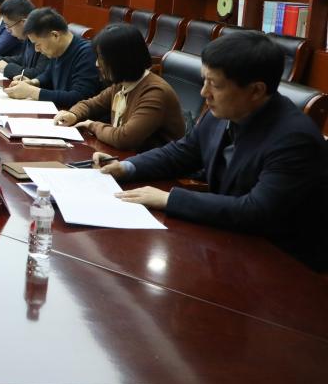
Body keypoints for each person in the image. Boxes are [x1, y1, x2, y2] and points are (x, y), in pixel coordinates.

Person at [95, 31, 327, 271]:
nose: (203, 92)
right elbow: (181, 153)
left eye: (214, 84)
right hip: (230, 242)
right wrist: (127, 168)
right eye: (203, 80)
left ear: (256, 91)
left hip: (284, 264)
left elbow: (257, 211)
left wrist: (169, 199)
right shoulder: (222, 113)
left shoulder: (294, 139)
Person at [53, 23, 184, 151]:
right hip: (129, 158)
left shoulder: (155, 92)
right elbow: (90, 105)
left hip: (152, 163)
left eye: (102, 58)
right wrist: (73, 114)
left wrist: (91, 125)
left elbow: (124, 138)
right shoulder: (122, 84)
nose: (97, 64)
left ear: (121, 60)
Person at [5, 7, 103, 108]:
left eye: (38, 44)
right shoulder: (56, 50)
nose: (36, 50)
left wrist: (31, 91)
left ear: (55, 35)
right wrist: (33, 82)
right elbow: (49, 74)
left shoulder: (87, 53)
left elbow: (79, 97)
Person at [0, 0, 50, 80]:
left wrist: (7, 68)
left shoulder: (44, 36)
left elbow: (38, 74)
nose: (8, 31)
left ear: (24, 23)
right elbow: (22, 59)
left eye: (8, 26)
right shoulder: (27, 36)